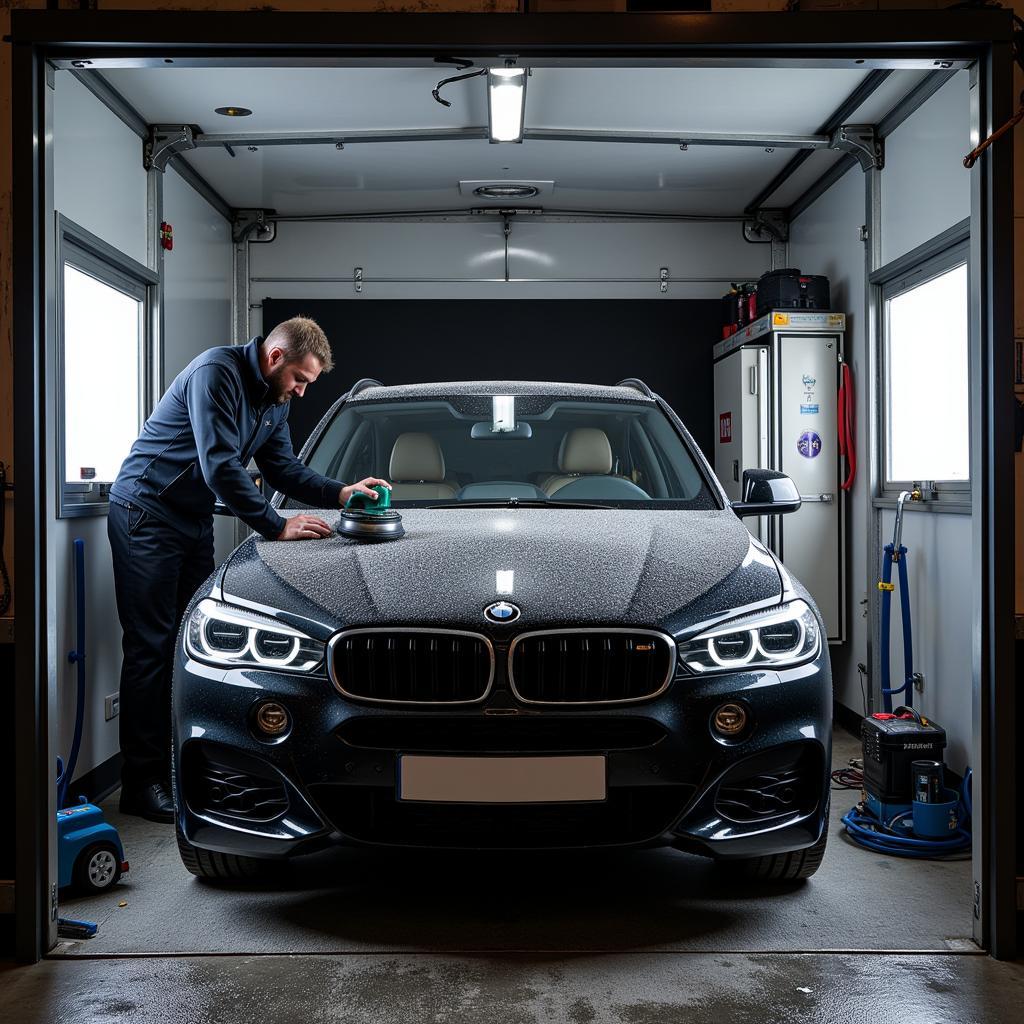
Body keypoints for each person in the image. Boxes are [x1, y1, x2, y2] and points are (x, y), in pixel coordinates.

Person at [108, 316, 389, 822]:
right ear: (276, 358)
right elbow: (220, 465)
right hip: (145, 513)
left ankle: (180, 768)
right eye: (301, 380)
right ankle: (141, 782)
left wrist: (341, 493)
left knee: (185, 644)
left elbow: (283, 468)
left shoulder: (272, 402)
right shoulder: (215, 373)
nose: (302, 392)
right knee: (150, 646)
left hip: (190, 519)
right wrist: (274, 525)